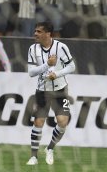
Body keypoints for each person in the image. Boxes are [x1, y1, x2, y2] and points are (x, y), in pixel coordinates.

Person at [26, 22, 76, 165]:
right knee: (38, 122)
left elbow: (72, 66)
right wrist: (47, 65)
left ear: (48, 34)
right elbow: (31, 72)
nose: (35, 34)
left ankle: (50, 148)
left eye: (39, 31)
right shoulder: (32, 49)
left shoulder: (61, 47)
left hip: (60, 90)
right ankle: (34, 157)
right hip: (42, 91)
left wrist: (57, 74)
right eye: (35, 31)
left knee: (62, 122)